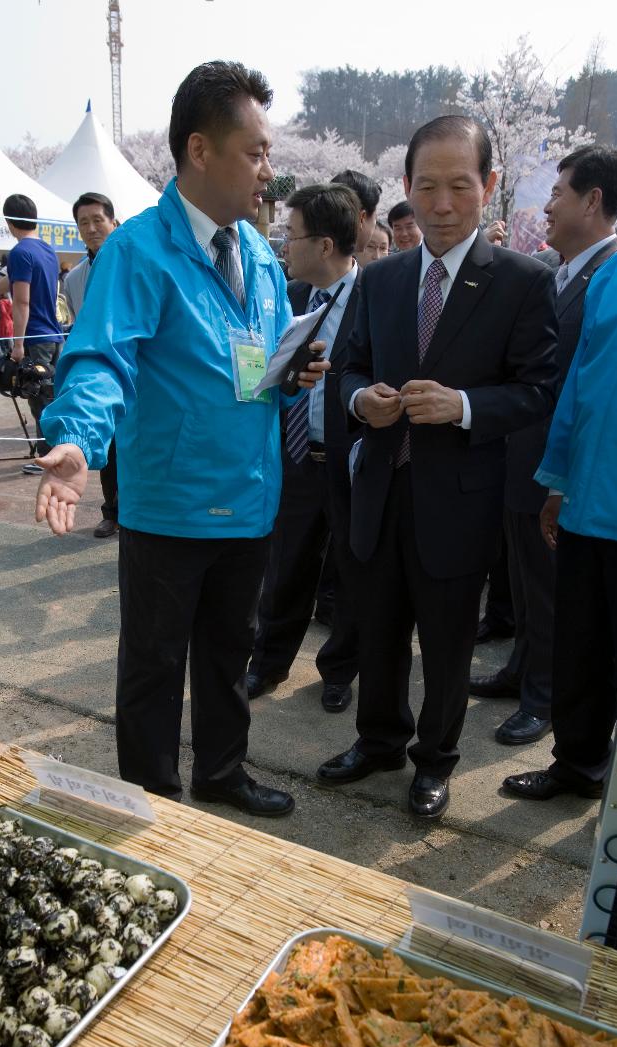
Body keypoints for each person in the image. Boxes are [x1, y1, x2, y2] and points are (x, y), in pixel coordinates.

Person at [35, 61, 328, 817]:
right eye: (254, 151)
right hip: (171, 507)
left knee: (231, 655)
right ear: (200, 151)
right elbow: (102, 358)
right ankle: (152, 797)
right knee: (154, 666)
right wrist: (76, 440)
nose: (268, 169)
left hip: (250, 495)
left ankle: (222, 771)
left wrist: (288, 373)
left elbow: (251, 357)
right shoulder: (140, 252)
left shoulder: (258, 252)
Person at [317, 115, 558, 819]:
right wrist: (362, 397)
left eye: (460, 185)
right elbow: (349, 366)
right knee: (379, 625)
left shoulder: (520, 280)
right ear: (405, 187)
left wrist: (461, 406)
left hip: (459, 496)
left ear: (488, 185)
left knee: (448, 641)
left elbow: (537, 387)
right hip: (380, 488)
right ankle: (377, 740)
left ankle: (434, 760)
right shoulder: (381, 279)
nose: (442, 203)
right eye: (427, 186)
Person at [471, 144, 617, 747]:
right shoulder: (558, 272)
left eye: (559, 194)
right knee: (522, 580)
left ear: (593, 201)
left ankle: (544, 697)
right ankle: (521, 670)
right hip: (523, 456)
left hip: (557, 470)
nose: (547, 206)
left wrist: (561, 478)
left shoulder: (611, 279)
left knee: (552, 589)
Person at [502, 211, 617, 803]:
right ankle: (578, 765)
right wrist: (557, 483)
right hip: (588, 502)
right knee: (581, 646)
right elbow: (578, 387)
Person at [247, 182, 370, 714]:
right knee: (286, 567)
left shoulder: (374, 299)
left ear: (324, 245)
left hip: (351, 466)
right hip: (297, 460)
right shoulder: (291, 299)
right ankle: (268, 663)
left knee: (350, 575)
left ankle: (339, 671)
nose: (283, 247)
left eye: (291, 236)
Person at [0, 194, 64, 474]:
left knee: (40, 399)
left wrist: (17, 344)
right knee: (52, 396)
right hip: (54, 334)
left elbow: (21, 301)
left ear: (9, 222)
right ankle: (58, 451)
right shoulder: (46, 250)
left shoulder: (21, 252)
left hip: (35, 338)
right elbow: (12, 281)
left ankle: (49, 458)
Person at [64, 192, 121, 538]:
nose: (91, 228)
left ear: (113, 221)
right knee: (109, 450)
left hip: (140, 374)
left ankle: (136, 513)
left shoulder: (135, 263)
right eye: (83, 223)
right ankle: (111, 511)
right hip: (102, 377)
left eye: (98, 220)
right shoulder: (73, 279)